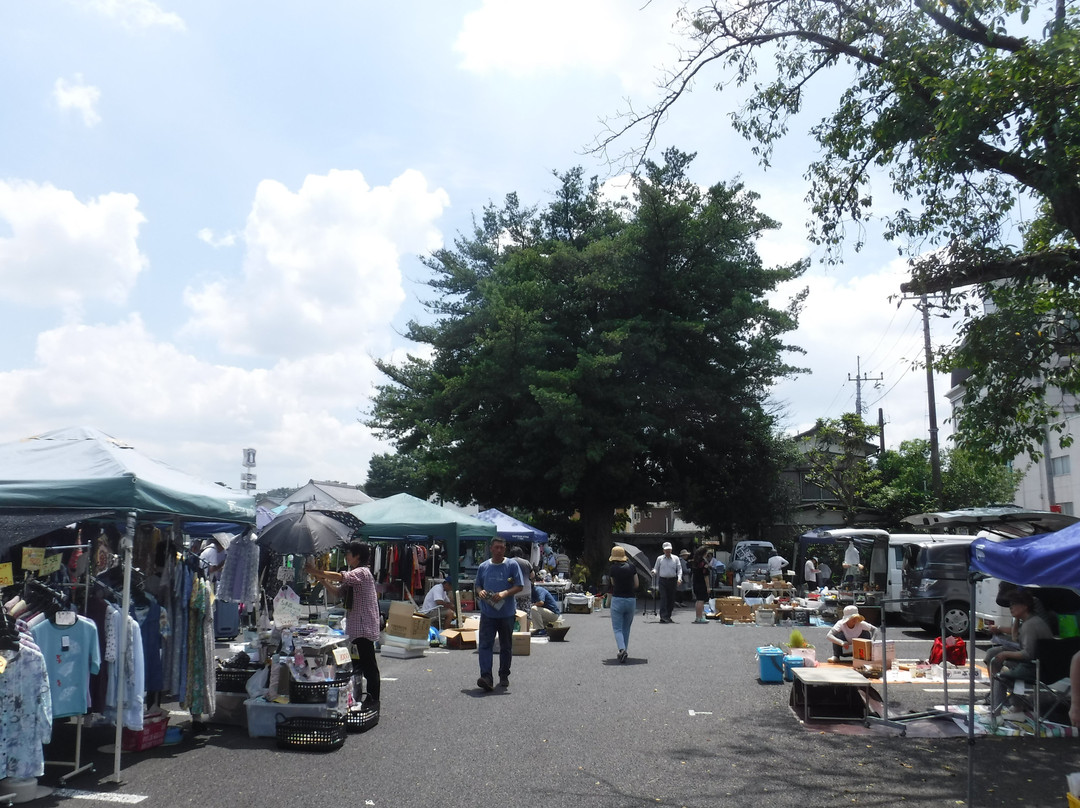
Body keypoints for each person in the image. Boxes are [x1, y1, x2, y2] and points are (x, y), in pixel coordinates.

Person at [305, 541, 381, 707]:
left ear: (357, 556)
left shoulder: (362, 572)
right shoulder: (355, 574)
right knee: (357, 666)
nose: (346, 556)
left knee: (369, 666)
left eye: (348, 553)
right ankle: (361, 696)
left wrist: (316, 571)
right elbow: (338, 593)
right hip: (356, 628)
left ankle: (374, 699)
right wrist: (322, 580)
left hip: (364, 627)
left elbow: (341, 577)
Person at [988, 589, 1053, 713]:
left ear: (1025, 606)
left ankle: (996, 713)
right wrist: (1016, 619)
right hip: (1045, 666)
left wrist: (1005, 653)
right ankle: (1017, 705)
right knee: (1002, 663)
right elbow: (1015, 638)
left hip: (1036, 669)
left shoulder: (1030, 625)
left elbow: (1027, 653)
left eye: (1014, 604)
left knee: (1000, 677)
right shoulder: (1034, 621)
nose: (1011, 607)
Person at [473, 537, 524, 691]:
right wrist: (480, 591)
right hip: (488, 613)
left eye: (502, 547)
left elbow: (519, 586)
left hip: (506, 613)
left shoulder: (511, 565)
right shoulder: (483, 566)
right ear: (491, 549)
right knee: (485, 645)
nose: (499, 550)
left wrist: (504, 593)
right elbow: (477, 585)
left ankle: (504, 675)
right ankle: (486, 676)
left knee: (506, 646)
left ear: (505, 549)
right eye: (496, 547)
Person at [607, 545, 639, 662]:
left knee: (617, 628)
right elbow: (636, 584)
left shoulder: (613, 569)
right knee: (626, 628)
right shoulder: (632, 567)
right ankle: (624, 649)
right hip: (631, 599)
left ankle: (622, 649)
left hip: (617, 599)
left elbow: (613, 583)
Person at [652, 541, 682, 624]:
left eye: (669, 549)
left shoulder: (676, 558)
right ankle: (663, 616)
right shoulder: (660, 558)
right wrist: (654, 571)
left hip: (672, 580)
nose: (668, 551)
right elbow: (656, 568)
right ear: (663, 550)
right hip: (663, 580)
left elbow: (679, 569)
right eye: (666, 550)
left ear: (671, 550)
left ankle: (668, 616)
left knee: (671, 599)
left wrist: (679, 578)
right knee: (664, 598)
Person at [509, 546, 533, 626]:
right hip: (526, 590)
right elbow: (532, 575)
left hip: (514, 591)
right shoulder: (526, 562)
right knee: (527, 613)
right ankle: (526, 632)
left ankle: (516, 632)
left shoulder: (509, 562)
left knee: (515, 613)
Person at [690, 546, 710, 623]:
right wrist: (708, 586)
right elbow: (706, 575)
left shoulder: (696, 562)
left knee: (698, 600)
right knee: (701, 601)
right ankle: (700, 617)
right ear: (704, 553)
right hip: (702, 583)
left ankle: (698, 617)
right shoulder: (704, 563)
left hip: (696, 582)